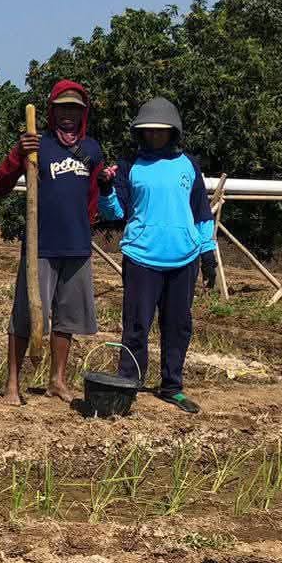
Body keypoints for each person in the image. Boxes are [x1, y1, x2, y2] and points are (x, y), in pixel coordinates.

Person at [0, 80, 105, 405]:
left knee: (67, 319)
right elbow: (1, 184)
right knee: (25, 315)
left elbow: (93, 196)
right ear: (52, 110)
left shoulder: (92, 149)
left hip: (77, 246)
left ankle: (57, 380)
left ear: (83, 113)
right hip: (40, 245)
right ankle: (12, 384)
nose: (68, 115)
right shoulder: (36, 144)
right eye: (62, 108)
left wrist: (90, 218)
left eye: (74, 109)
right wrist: (18, 153)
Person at [98, 97, 218, 414]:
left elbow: (201, 212)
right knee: (136, 325)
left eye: (160, 130)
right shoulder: (129, 166)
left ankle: (172, 386)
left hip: (184, 257)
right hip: (141, 257)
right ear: (140, 132)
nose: (154, 135)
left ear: (172, 131)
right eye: (148, 130)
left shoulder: (188, 165)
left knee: (178, 325)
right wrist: (105, 189)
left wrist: (208, 253)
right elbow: (116, 212)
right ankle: (129, 384)